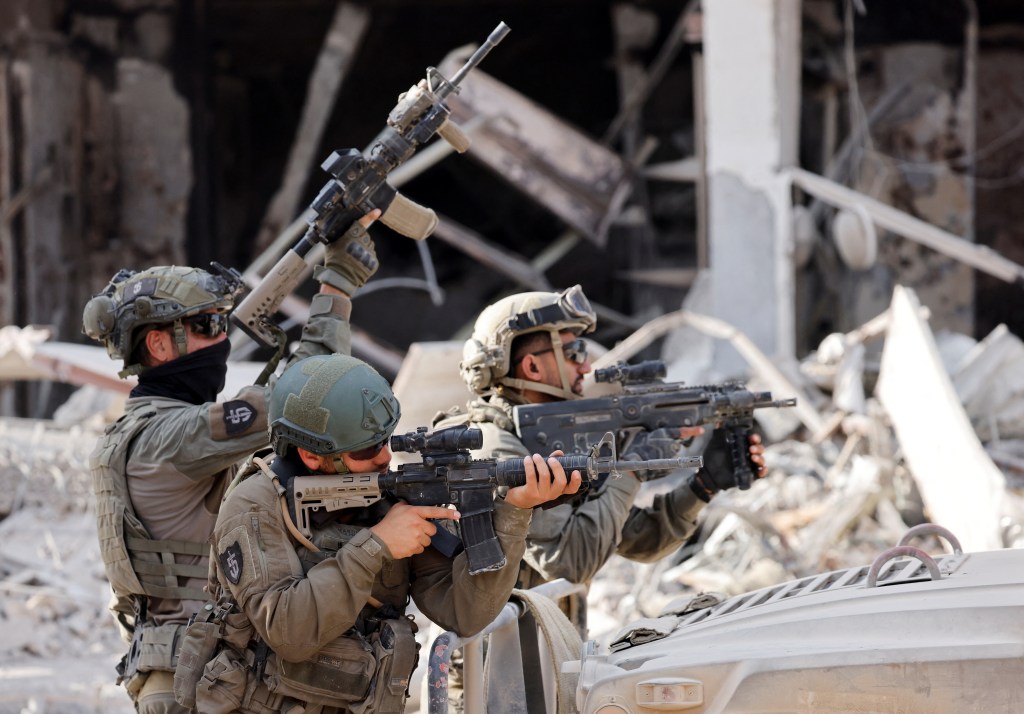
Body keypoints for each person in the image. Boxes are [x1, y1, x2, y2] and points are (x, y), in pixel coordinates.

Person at [81, 211, 382, 713]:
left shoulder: (136, 431)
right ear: (158, 344)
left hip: (189, 670)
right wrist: (337, 285)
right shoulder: (168, 437)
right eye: (205, 326)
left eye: (222, 321)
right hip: (198, 678)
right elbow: (302, 399)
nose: (221, 339)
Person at [187, 352, 581, 712]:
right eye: (364, 451)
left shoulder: (386, 495)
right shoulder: (255, 506)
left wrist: (514, 511)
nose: (384, 458)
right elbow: (289, 631)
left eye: (385, 441)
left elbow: (465, 613)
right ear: (312, 455)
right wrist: (376, 546)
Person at [454, 284, 768, 613]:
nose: (586, 367)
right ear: (532, 367)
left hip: (552, 652)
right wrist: (632, 468)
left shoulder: (547, 438)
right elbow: (571, 561)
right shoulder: (492, 447)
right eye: (574, 353)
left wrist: (704, 485)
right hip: (502, 661)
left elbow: (637, 538)